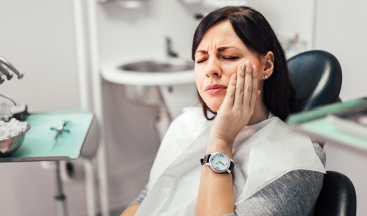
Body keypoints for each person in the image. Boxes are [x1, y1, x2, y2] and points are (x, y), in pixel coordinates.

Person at [121, 5, 325, 216]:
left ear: (266, 65)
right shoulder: (186, 125)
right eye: (201, 59)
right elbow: (149, 197)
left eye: (229, 57)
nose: (210, 69)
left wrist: (221, 140)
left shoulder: (296, 161)